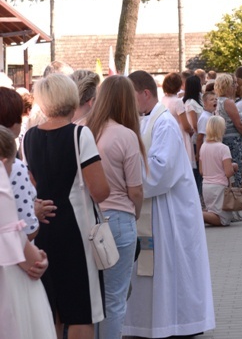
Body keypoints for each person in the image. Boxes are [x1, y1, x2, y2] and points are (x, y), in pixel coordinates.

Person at [124, 71, 215, 337]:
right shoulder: (142, 120)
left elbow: (161, 171)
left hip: (168, 211)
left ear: (145, 94)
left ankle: (179, 323)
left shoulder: (163, 122)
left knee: (171, 269)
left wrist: (127, 177)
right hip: (153, 212)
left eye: (131, 96)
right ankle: (149, 324)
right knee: (152, 273)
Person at [23, 74, 110, 339]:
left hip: (44, 228)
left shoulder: (29, 137)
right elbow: (100, 190)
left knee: (53, 312)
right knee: (82, 312)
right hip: (76, 231)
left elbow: (33, 184)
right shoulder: (79, 134)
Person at [85, 75, 145, 339]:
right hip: (118, 220)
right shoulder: (125, 135)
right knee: (114, 300)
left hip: (86, 219)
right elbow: (136, 189)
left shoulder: (82, 130)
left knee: (90, 300)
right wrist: (136, 213)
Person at [0, 125, 56, 339]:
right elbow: (13, 237)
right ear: (4, 161)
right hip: (9, 276)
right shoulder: (1, 187)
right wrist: (39, 260)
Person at [0, 87, 40, 239]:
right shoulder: (13, 166)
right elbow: (28, 230)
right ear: (12, 121)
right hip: (12, 257)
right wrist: (34, 210)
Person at [200, 115, 238, 226]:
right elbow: (228, 172)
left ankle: (199, 215)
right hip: (219, 187)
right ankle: (196, 214)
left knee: (214, 213)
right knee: (223, 220)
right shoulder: (223, 148)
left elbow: (202, 170)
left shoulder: (203, 146)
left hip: (206, 185)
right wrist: (233, 166)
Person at [214, 74, 242, 188]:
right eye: (233, 84)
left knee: (241, 167)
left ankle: (234, 194)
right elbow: (238, 123)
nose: (236, 85)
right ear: (227, 86)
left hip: (225, 137)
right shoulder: (228, 102)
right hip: (232, 139)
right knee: (237, 168)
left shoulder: (219, 101)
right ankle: (235, 196)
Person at [161, 73, 194, 167]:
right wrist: (191, 131)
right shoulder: (177, 102)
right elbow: (185, 125)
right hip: (180, 134)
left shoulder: (163, 99)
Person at [183, 75, 204, 191]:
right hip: (196, 139)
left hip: (201, 136)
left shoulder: (198, 100)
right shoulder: (190, 103)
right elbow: (194, 123)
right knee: (197, 168)